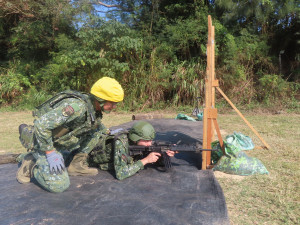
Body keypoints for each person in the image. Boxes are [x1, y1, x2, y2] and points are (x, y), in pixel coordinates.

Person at [17, 77, 124, 193]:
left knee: (97, 131)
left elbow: (95, 125)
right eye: (113, 103)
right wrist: (50, 153)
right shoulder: (77, 107)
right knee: (59, 186)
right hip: (43, 143)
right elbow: (41, 125)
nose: (114, 107)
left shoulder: (92, 108)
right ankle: (31, 164)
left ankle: (76, 165)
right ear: (101, 99)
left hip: (57, 142)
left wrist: (108, 131)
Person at [88, 121, 176, 180]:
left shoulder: (138, 143)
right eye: (146, 141)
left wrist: (164, 154)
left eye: (150, 140)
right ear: (135, 138)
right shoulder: (120, 142)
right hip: (90, 160)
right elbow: (120, 174)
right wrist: (145, 160)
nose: (149, 144)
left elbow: (151, 153)